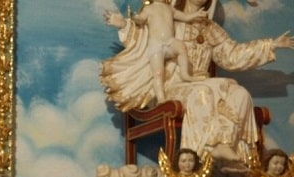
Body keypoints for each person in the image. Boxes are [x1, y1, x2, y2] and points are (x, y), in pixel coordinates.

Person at [102, 0, 294, 168]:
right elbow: (143, 38)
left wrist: (272, 45)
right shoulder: (171, 18)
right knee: (203, 93)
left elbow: (232, 55)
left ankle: (229, 153)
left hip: (201, 82)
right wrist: (123, 25)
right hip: (173, 86)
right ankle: (200, 157)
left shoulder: (209, 27)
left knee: (240, 94)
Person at [131, 0, 207, 102]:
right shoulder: (148, 9)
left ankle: (185, 75)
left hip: (170, 42)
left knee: (181, 47)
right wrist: (136, 18)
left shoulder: (170, 9)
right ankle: (161, 98)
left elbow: (185, 17)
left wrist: (196, 14)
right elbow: (141, 19)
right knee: (158, 73)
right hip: (156, 44)